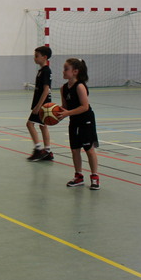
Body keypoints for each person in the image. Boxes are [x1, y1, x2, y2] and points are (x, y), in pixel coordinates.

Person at [55, 58, 100, 190]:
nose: (63, 71)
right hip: (74, 120)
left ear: (75, 71)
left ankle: (95, 177)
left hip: (86, 120)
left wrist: (67, 113)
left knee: (89, 149)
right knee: (75, 149)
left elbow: (85, 107)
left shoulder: (80, 86)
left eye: (66, 69)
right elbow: (65, 107)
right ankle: (78, 176)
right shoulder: (63, 88)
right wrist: (53, 114)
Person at [25, 46, 54, 162]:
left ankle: (38, 149)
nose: (35, 58)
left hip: (42, 104)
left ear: (44, 57)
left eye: (37, 56)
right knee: (43, 126)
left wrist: (38, 106)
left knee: (29, 124)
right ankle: (47, 151)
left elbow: (46, 90)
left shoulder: (46, 71)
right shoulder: (41, 71)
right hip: (42, 103)